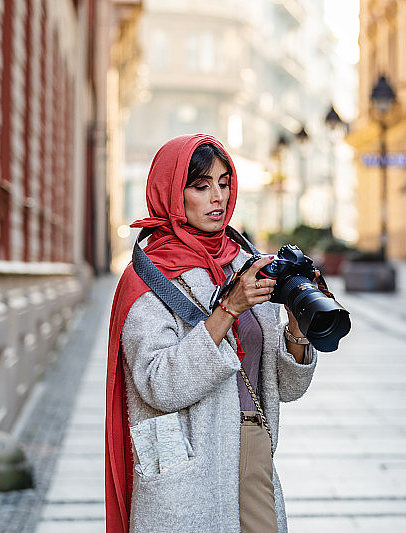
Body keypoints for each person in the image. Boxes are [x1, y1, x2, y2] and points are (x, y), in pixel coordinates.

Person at [106, 134, 317, 532]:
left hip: (251, 442)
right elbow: (158, 385)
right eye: (201, 186)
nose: (217, 197)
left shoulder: (245, 263)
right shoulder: (147, 277)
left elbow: (286, 388)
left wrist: (296, 324)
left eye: (224, 183)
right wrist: (230, 309)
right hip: (185, 460)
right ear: (171, 192)